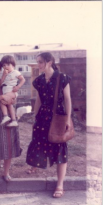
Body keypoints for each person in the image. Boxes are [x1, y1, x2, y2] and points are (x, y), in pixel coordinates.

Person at [26, 52, 72, 198]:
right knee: (39, 144)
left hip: (58, 117)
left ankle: (60, 184)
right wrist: (35, 116)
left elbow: (68, 99)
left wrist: (67, 120)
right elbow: (38, 99)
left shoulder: (62, 78)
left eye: (40, 62)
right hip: (42, 118)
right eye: (37, 61)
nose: (38, 65)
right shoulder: (39, 80)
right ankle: (36, 166)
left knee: (60, 149)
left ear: (49, 62)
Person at [0, 55, 25, 127]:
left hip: (11, 91)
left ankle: (5, 116)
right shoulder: (3, 74)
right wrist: (4, 75)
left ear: (13, 65)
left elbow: (23, 79)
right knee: (9, 105)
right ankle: (14, 120)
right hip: (6, 91)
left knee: (2, 102)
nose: (6, 67)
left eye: (8, 65)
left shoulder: (15, 72)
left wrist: (18, 87)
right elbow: (0, 83)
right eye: (4, 65)